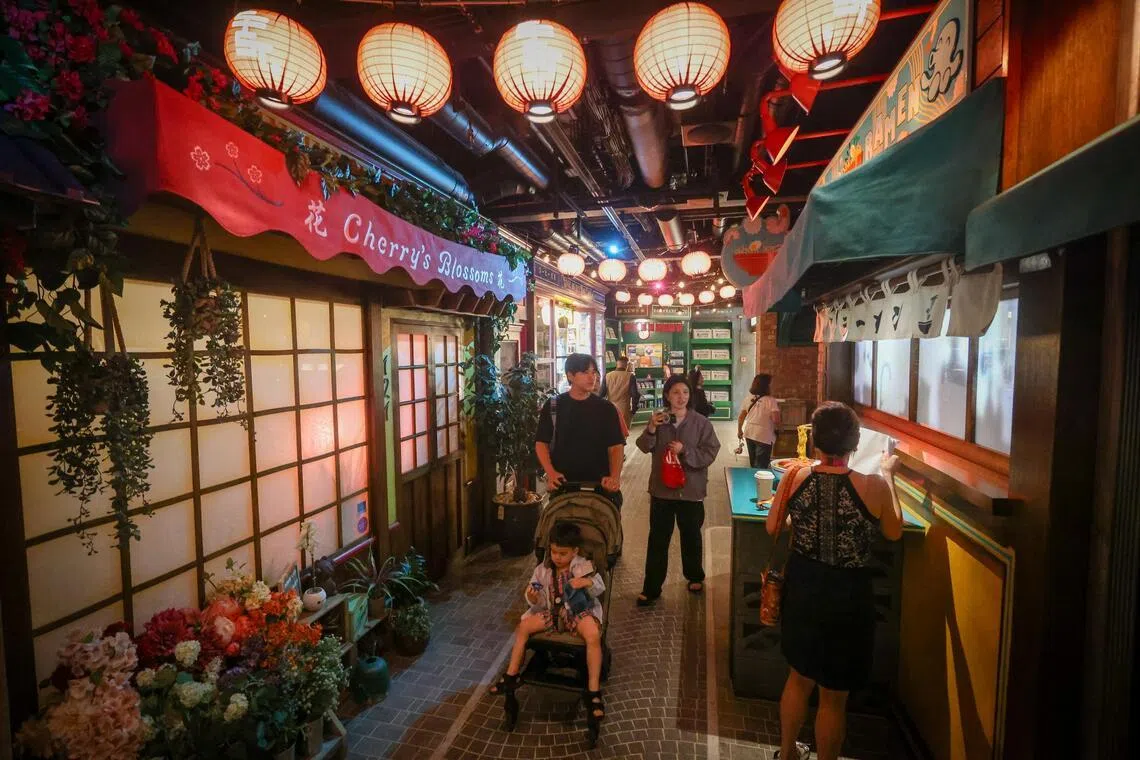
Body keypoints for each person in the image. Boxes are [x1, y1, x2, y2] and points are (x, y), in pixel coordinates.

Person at [765, 402, 903, 760]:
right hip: (849, 595)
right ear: (855, 445)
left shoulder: (795, 476)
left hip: (804, 586)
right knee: (833, 695)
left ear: (815, 442)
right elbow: (893, 530)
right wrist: (889, 475)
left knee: (798, 678)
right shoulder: (871, 485)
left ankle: (786, 753)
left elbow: (772, 526)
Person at [488, 521, 607, 720]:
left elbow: (599, 586)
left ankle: (593, 690)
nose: (557, 558)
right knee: (524, 626)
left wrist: (585, 581)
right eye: (554, 552)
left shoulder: (583, 565)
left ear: (574, 551)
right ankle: (511, 674)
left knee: (593, 635)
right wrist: (533, 598)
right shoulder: (543, 570)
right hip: (552, 612)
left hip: (577, 613)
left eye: (563, 554)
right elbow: (537, 597)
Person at [635, 375, 721, 606]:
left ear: (690, 395)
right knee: (658, 539)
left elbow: (711, 452)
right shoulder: (660, 420)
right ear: (667, 395)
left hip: (691, 490)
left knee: (691, 535)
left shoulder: (701, 422)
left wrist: (686, 451)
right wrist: (652, 428)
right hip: (662, 490)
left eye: (685, 392)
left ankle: (694, 575)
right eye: (675, 392)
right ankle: (651, 587)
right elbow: (643, 447)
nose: (680, 397)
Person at [536, 353, 625, 508]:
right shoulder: (553, 406)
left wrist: (614, 478)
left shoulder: (607, 408)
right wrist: (550, 473)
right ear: (570, 375)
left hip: (600, 487)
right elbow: (541, 442)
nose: (592, 378)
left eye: (594, 372)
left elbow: (616, 446)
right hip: (563, 487)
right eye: (585, 372)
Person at [738, 373, 780, 469]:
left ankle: (753, 481)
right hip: (764, 435)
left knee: (753, 463)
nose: (772, 385)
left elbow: (741, 417)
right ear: (766, 386)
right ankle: (760, 483)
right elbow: (776, 419)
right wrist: (779, 429)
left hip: (749, 433)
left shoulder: (748, 398)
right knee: (761, 465)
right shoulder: (771, 401)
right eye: (771, 383)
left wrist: (739, 430)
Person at [600, 355, 640, 435]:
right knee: (622, 436)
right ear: (626, 364)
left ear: (617, 364)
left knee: (611, 435)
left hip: (610, 410)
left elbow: (601, 394)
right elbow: (635, 395)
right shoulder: (630, 376)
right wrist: (633, 410)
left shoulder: (607, 376)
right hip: (624, 411)